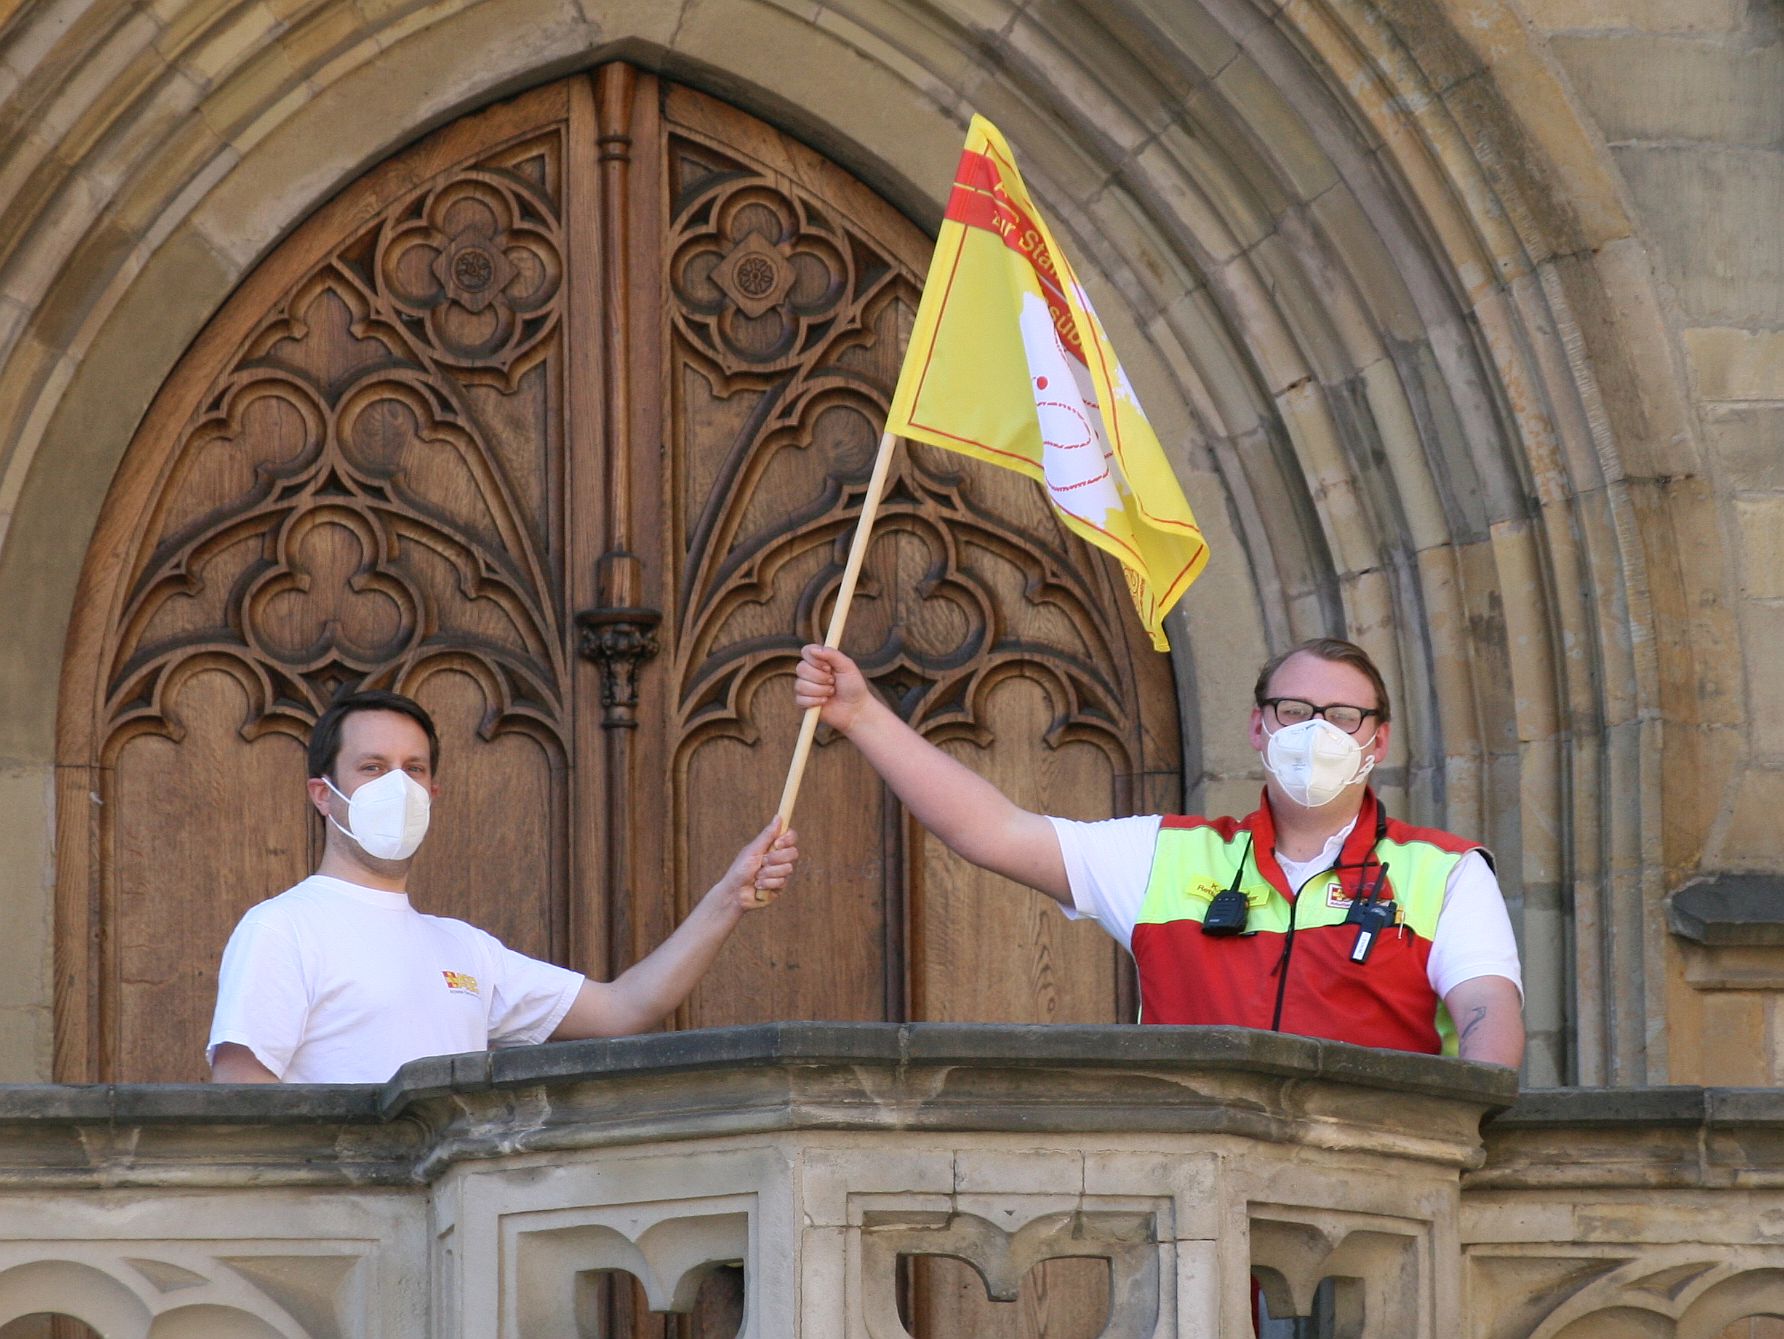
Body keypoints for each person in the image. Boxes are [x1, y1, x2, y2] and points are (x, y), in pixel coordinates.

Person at [793, 638, 1524, 1067]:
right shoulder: (1171, 855)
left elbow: (1490, 1016)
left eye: (1341, 716)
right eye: (1294, 712)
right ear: (1258, 729)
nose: (1316, 731)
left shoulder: (1446, 871)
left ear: (1378, 739)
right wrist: (861, 715)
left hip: (1373, 1209)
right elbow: (993, 832)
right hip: (1198, 1210)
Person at [208, 690, 799, 1083]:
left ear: (433, 794)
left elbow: (625, 1007)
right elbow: (242, 1104)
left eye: (414, 769)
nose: (399, 786)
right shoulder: (281, 928)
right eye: (372, 767)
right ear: (322, 794)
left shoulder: (466, 950)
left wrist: (730, 896)